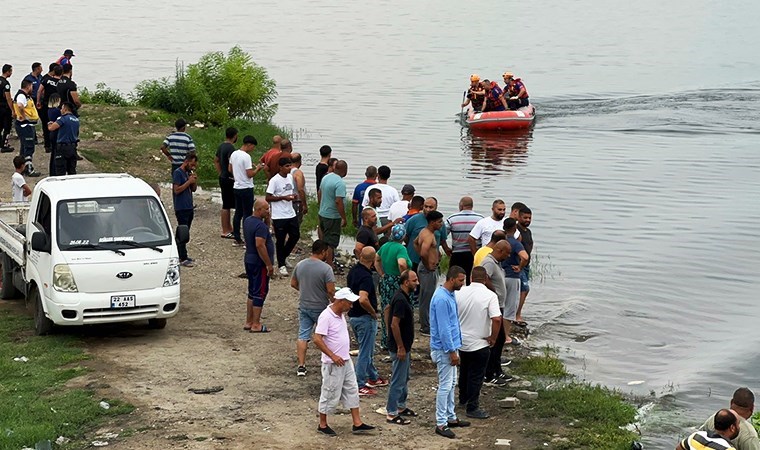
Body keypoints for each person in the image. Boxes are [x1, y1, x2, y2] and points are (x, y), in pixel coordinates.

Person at [313, 287, 376, 436]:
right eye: (349, 303)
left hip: (345, 360)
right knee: (329, 392)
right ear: (341, 302)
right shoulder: (326, 316)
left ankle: (357, 422)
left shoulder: (339, 314)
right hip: (333, 362)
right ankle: (322, 424)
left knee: (352, 389)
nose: (351, 306)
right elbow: (317, 338)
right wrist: (332, 355)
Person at [455, 266, 502, 419]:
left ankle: (463, 398)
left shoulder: (459, 292)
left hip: (462, 340)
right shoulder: (490, 295)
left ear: (470, 277)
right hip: (480, 342)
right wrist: (493, 337)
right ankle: (472, 406)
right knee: (476, 375)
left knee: (464, 371)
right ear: (486, 279)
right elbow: (496, 318)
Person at [430, 266, 469, 439]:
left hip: (451, 346)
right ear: (452, 279)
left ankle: (451, 416)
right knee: (445, 385)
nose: (463, 283)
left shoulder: (450, 295)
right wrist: (452, 351)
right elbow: (444, 328)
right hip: (444, 348)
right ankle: (441, 422)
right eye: (461, 280)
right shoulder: (441, 299)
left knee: (452, 383)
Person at [291, 239, 336, 377]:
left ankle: (301, 366)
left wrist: (304, 290)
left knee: (303, 335)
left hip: (304, 304)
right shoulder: (326, 269)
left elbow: (293, 283)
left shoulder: (300, 265)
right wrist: (334, 302)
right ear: (323, 251)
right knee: (326, 336)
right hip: (321, 307)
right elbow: (330, 290)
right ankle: (329, 361)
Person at [347, 247, 386, 396]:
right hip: (364, 317)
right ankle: (359, 383)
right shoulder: (366, 277)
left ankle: (373, 376)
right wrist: (372, 312)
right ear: (372, 260)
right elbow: (363, 298)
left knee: (366, 348)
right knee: (365, 351)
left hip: (353, 316)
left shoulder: (353, 271)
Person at [385, 269, 419, 425]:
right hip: (401, 347)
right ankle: (391, 412)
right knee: (398, 379)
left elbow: (386, 311)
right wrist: (400, 347)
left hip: (405, 345)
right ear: (406, 282)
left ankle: (400, 406)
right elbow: (394, 323)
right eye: (414, 280)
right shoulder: (400, 300)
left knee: (404, 377)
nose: (417, 283)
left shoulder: (403, 297)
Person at [480, 239, 513, 385]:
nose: (508, 256)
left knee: (500, 341)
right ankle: (489, 374)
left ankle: (497, 370)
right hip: (493, 306)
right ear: (500, 250)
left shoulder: (497, 263)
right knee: (497, 340)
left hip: (499, 305)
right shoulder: (489, 262)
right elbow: (483, 277)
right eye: (507, 253)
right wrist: (493, 291)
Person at [375, 224, 411, 349]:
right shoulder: (401, 249)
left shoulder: (385, 246)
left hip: (386, 280)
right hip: (396, 281)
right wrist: (405, 276)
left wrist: (382, 273)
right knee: (398, 310)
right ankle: (396, 340)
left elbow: (377, 259)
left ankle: (386, 339)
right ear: (403, 236)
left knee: (386, 309)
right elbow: (401, 263)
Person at [244, 199, 275, 333]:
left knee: (252, 291)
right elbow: (260, 244)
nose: (268, 211)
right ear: (258, 210)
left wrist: (267, 220)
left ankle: (249, 321)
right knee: (260, 292)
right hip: (259, 263)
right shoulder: (260, 227)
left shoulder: (248, 221)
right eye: (266, 209)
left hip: (249, 260)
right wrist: (268, 264)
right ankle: (256, 324)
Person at [266, 156, 300, 276]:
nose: (289, 168)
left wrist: (293, 197)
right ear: (280, 167)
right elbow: (268, 197)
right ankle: (281, 264)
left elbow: (290, 192)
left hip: (290, 212)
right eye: (286, 166)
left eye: (290, 165)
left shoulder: (290, 177)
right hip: (279, 215)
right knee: (280, 240)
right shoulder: (274, 180)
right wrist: (283, 198)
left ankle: (283, 256)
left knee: (295, 235)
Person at [229, 135, 265, 246]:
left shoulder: (234, 153)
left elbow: (230, 169)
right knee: (247, 214)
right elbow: (250, 174)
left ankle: (237, 237)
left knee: (238, 213)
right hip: (246, 187)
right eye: (253, 147)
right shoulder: (246, 157)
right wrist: (258, 168)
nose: (253, 149)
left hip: (237, 186)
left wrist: (238, 175)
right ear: (248, 144)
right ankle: (248, 238)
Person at [414, 210, 444, 335]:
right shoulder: (428, 235)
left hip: (428, 268)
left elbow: (415, 243)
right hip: (427, 270)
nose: (441, 224)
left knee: (425, 297)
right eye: (439, 222)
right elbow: (423, 252)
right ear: (432, 222)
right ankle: (425, 327)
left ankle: (425, 322)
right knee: (427, 298)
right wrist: (427, 265)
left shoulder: (424, 232)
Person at [501, 218, 529, 346]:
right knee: (510, 308)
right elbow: (525, 257)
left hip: (500, 276)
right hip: (512, 277)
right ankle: (505, 337)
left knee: (499, 306)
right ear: (515, 229)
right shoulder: (515, 243)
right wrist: (520, 267)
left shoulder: (500, 242)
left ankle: (495, 333)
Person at [318, 160, 348, 267]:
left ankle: (321, 259)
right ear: (343, 170)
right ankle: (329, 265)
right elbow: (338, 201)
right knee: (331, 242)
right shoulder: (340, 183)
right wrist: (343, 217)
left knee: (323, 239)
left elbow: (320, 192)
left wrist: (320, 206)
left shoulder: (326, 177)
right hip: (333, 216)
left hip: (322, 213)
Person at [447, 196, 483, 283]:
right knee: (471, 280)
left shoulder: (452, 218)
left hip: (457, 254)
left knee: (454, 279)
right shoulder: (481, 219)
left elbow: (443, 235)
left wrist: (446, 249)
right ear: (472, 206)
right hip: (474, 253)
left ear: (461, 205)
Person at [172, 152, 198, 267]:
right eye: (191, 165)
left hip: (189, 207)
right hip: (181, 207)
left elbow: (193, 189)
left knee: (186, 233)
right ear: (186, 162)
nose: (193, 167)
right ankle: (181, 257)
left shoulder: (188, 173)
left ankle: (183, 254)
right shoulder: (178, 173)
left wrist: (193, 181)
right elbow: (176, 190)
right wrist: (188, 182)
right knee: (182, 233)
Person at [361, 165, 400, 233]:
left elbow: (365, 205)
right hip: (387, 218)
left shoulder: (370, 188)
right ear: (389, 176)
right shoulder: (393, 190)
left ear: (378, 175)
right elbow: (397, 206)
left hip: (372, 217)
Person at [13, 80, 41, 176]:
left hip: (26, 125)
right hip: (25, 125)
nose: (32, 89)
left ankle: (22, 168)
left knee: (24, 147)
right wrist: (25, 117)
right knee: (29, 147)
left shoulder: (24, 96)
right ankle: (29, 169)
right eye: (32, 87)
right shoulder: (22, 96)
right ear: (28, 86)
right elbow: (20, 106)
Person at [214, 127, 238, 238]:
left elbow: (216, 160)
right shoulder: (231, 148)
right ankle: (225, 229)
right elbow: (231, 165)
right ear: (235, 135)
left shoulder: (221, 146)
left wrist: (220, 172)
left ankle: (228, 228)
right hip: (229, 179)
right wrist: (234, 175)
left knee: (226, 203)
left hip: (223, 177)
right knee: (227, 205)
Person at [47, 102, 79, 175]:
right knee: (72, 170)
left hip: (62, 147)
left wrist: (49, 123)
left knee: (60, 171)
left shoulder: (63, 119)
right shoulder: (76, 120)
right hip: (73, 147)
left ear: (65, 109)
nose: (60, 110)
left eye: (61, 108)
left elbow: (52, 128)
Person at [36, 63, 61, 152]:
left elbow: (39, 91)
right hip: (57, 105)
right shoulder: (61, 82)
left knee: (46, 124)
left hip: (46, 104)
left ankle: (47, 145)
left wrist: (38, 101)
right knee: (57, 124)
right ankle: (55, 143)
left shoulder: (46, 80)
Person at [515, 206, 534, 326]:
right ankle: (517, 315)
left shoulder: (528, 231)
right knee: (524, 289)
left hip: (526, 265)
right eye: (525, 217)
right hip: (519, 264)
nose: (527, 220)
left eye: (529, 218)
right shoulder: (516, 231)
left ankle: (516, 312)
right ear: (518, 217)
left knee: (523, 290)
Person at [290, 153, 308, 223]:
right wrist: (304, 204)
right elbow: (300, 189)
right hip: (296, 202)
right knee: (296, 223)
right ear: (299, 162)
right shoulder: (298, 173)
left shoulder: (286, 171)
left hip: (287, 201)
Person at [0, 65, 13, 152]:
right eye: (11, 71)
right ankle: (4, 145)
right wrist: (12, 109)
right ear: (7, 71)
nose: (11, 73)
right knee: (7, 127)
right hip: (4, 107)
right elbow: (8, 97)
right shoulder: (6, 84)